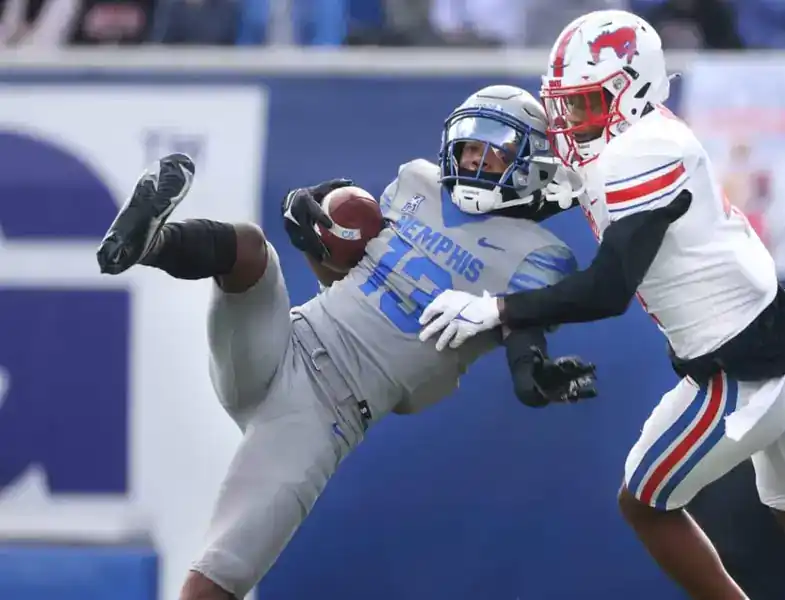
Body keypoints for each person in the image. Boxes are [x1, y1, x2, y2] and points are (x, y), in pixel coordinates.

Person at [418, 10, 785, 600]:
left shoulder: (642, 153)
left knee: (644, 504)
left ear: (632, 93)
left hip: (744, 373)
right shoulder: (633, 138)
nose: (569, 120)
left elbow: (608, 290)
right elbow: (550, 202)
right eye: (565, 104)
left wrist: (499, 310)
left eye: (585, 104)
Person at [96, 84, 597, 600]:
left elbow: (521, 325)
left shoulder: (538, 255)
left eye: (490, 149)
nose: (472, 159)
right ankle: (147, 243)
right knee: (248, 248)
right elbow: (342, 276)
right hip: (287, 338)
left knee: (216, 581)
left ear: (532, 165)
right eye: (468, 146)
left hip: (322, 409)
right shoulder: (417, 184)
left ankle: (151, 242)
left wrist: (531, 372)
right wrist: (310, 233)